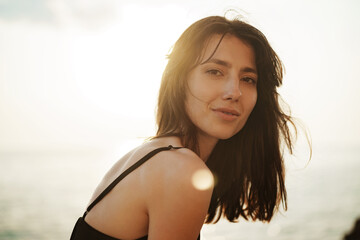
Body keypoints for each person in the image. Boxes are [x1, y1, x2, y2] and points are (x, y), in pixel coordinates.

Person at [70, 14, 296, 240]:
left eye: (248, 79)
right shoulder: (181, 170)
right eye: (215, 72)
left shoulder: (150, 156)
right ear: (180, 80)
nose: (234, 92)